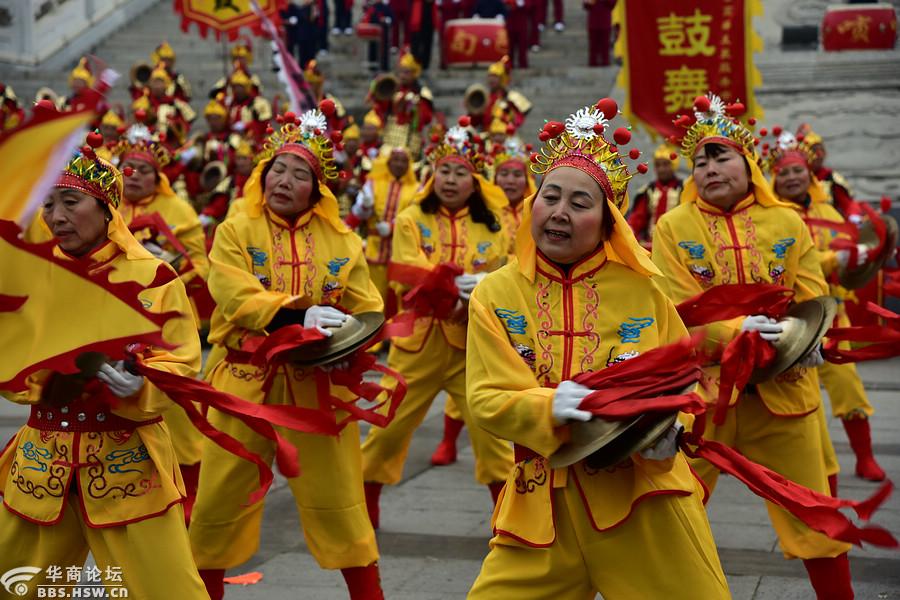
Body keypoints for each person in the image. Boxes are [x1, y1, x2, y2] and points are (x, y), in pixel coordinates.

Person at [464, 100, 729, 599]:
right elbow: (486, 397)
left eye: (580, 203)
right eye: (550, 197)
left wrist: (670, 428)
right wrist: (548, 406)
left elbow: (685, 377)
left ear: (609, 223)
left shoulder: (643, 289)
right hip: (539, 508)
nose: (559, 212)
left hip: (642, 497)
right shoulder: (495, 293)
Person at [651, 92, 855, 598]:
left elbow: (814, 300)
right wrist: (734, 330)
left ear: (748, 164)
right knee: (670, 510)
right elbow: (676, 311)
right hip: (706, 397)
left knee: (816, 520)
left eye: (720, 157)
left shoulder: (787, 221)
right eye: (700, 162)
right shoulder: (673, 228)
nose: (709, 168)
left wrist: (799, 337)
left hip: (785, 391)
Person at [188, 107, 386, 600]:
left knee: (341, 501)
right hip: (244, 381)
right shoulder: (236, 229)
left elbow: (369, 308)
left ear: (317, 190)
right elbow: (231, 293)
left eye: (300, 175)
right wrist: (295, 317)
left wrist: (349, 344)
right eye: (279, 169)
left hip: (316, 387)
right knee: (217, 501)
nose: (285, 180)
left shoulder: (342, 240)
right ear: (264, 173)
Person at [0, 146, 209, 598]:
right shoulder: (30, 277)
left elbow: (183, 360)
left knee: (166, 591)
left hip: (127, 465)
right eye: (48, 204)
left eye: (71, 202)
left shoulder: (154, 276)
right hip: (42, 462)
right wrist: (39, 378)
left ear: (106, 208)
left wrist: (143, 381)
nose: (57, 216)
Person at [360, 120, 515, 528]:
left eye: (460, 172)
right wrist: (447, 282)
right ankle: (365, 506)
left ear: (474, 180)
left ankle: (510, 519)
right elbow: (402, 271)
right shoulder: (412, 218)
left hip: (472, 347)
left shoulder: (492, 224)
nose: (450, 179)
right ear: (432, 174)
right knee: (388, 428)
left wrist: (485, 283)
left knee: (492, 435)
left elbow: (509, 268)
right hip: (418, 345)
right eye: (444, 170)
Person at [766, 130, 886, 486]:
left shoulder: (827, 209)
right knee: (800, 396)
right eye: (784, 173)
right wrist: (835, 259)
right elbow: (793, 262)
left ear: (810, 174)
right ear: (773, 179)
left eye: (797, 171)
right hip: (790, 320)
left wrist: (861, 255)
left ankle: (864, 457)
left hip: (832, 314)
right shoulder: (771, 216)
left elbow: (846, 253)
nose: (791, 178)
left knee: (848, 385)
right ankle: (815, 471)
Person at [430, 135, 535, 466]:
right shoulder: (485, 211)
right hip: (484, 297)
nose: (510, 181)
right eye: (504, 174)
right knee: (471, 373)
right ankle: (449, 440)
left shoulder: (537, 208)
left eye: (516, 174)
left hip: (526, 296)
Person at [350, 145, 419, 314]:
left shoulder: (417, 189)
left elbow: (417, 216)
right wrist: (366, 206)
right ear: (388, 162)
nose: (399, 164)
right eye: (395, 160)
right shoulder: (373, 183)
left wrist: (393, 227)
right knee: (373, 295)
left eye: (403, 161)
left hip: (402, 252)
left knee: (397, 297)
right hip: (374, 249)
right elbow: (358, 213)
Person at [795, 123, 861, 220]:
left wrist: (854, 217)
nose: (820, 155)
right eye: (814, 150)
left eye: (822, 150)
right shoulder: (794, 179)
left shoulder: (830, 177)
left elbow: (848, 204)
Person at [627, 143, 683, 247]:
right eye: (658, 165)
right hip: (651, 245)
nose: (661, 169)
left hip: (676, 245)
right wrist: (629, 232)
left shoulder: (683, 189)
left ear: (673, 165)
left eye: (665, 164)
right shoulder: (648, 190)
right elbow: (637, 218)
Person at [585, 0, 616, 67]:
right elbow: (586, 6)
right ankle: (593, 62)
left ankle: (605, 62)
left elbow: (612, 4)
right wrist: (588, 2)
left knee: (605, 44)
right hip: (593, 22)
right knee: (593, 45)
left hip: (605, 21)